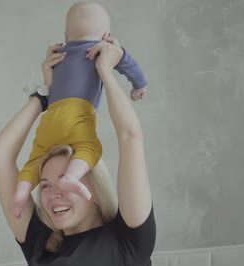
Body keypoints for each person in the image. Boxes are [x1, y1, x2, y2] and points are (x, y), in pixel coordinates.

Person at [0, 33, 156, 266]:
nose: (53, 195)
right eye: (46, 185)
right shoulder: (41, 242)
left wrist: (105, 71)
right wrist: (44, 98)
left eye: (64, 180)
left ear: (93, 188)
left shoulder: (127, 241)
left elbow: (130, 136)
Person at [8, 1, 148, 219]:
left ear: (65, 36)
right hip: (77, 117)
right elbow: (131, 67)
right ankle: (71, 177)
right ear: (106, 35)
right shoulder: (102, 52)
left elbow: (56, 88)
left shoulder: (59, 55)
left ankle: (20, 192)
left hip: (51, 117)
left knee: (36, 159)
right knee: (89, 147)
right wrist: (139, 86)